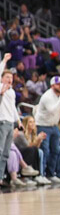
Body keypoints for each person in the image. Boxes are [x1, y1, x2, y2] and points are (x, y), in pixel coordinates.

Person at [34, 76, 60, 181]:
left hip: (54, 126)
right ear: (52, 85)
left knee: (55, 151)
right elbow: (52, 110)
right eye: (58, 84)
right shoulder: (47, 96)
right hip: (43, 125)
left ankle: (50, 174)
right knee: (45, 150)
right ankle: (41, 175)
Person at [0, 53, 23, 182]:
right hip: (2, 122)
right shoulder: (0, 87)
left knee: (5, 153)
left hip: (10, 123)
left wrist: (18, 121)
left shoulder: (12, 91)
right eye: (7, 76)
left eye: (11, 77)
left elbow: (13, 107)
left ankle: (0, 177)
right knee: (0, 150)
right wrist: (4, 61)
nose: (10, 79)